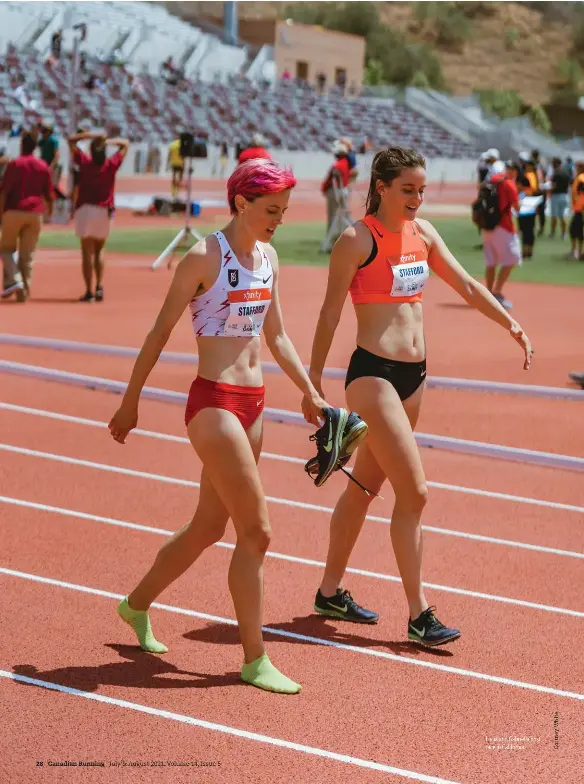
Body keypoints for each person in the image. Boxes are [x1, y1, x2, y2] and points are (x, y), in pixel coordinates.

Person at [108, 159, 364, 694]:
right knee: (258, 532)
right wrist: (130, 401)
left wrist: (310, 390)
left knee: (208, 527)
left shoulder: (268, 257)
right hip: (213, 404)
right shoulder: (202, 256)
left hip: (255, 404)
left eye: (284, 212)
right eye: (271, 210)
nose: (279, 221)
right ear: (241, 202)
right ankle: (254, 659)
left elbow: (277, 337)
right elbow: (159, 332)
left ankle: (134, 606)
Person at [301, 147, 533, 646]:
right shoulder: (356, 239)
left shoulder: (423, 233)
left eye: (422, 190)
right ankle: (418, 614)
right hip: (373, 377)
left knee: (363, 487)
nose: (417, 199)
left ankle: (328, 591)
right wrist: (312, 383)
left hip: (415, 378)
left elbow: (468, 285)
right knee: (415, 493)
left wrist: (508, 322)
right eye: (408, 189)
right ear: (381, 187)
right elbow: (328, 313)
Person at [68, 130, 128, 302]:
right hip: (104, 210)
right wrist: (107, 140)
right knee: (100, 250)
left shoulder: (85, 163)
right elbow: (125, 144)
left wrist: (89, 136)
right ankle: (99, 285)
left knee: (86, 253)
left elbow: (71, 141)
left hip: (85, 210)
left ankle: (88, 291)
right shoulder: (110, 165)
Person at [0, 130, 53, 302]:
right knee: (27, 255)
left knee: (6, 249)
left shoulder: (15, 164)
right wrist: (49, 212)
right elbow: (48, 194)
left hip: (14, 210)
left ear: (22, 145)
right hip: (35, 212)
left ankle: (16, 281)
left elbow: (5, 191)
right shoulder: (43, 165)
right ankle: (24, 292)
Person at [481, 160, 521, 311]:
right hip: (503, 226)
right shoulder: (508, 183)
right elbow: (517, 206)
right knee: (511, 258)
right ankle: (497, 292)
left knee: (491, 261)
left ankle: (489, 294)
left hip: (487, 226)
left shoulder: (490, 181)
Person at [547, 157, 570, 240]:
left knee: (554, 215)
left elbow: (553, 186)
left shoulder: (556, 173)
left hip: (556, 196)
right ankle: (564, 233)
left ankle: (553, 232)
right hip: (565, 196)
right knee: (562, 216)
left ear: (555, 163)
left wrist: (547, 188)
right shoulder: (566, 172)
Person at [568, 160, 584, 261]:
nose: (575, 169)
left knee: (575, 230)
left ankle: (577, 251)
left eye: (577, 167)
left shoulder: (581, 178)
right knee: (577, 230)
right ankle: (578, 251)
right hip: (579, 208)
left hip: (581, 209)